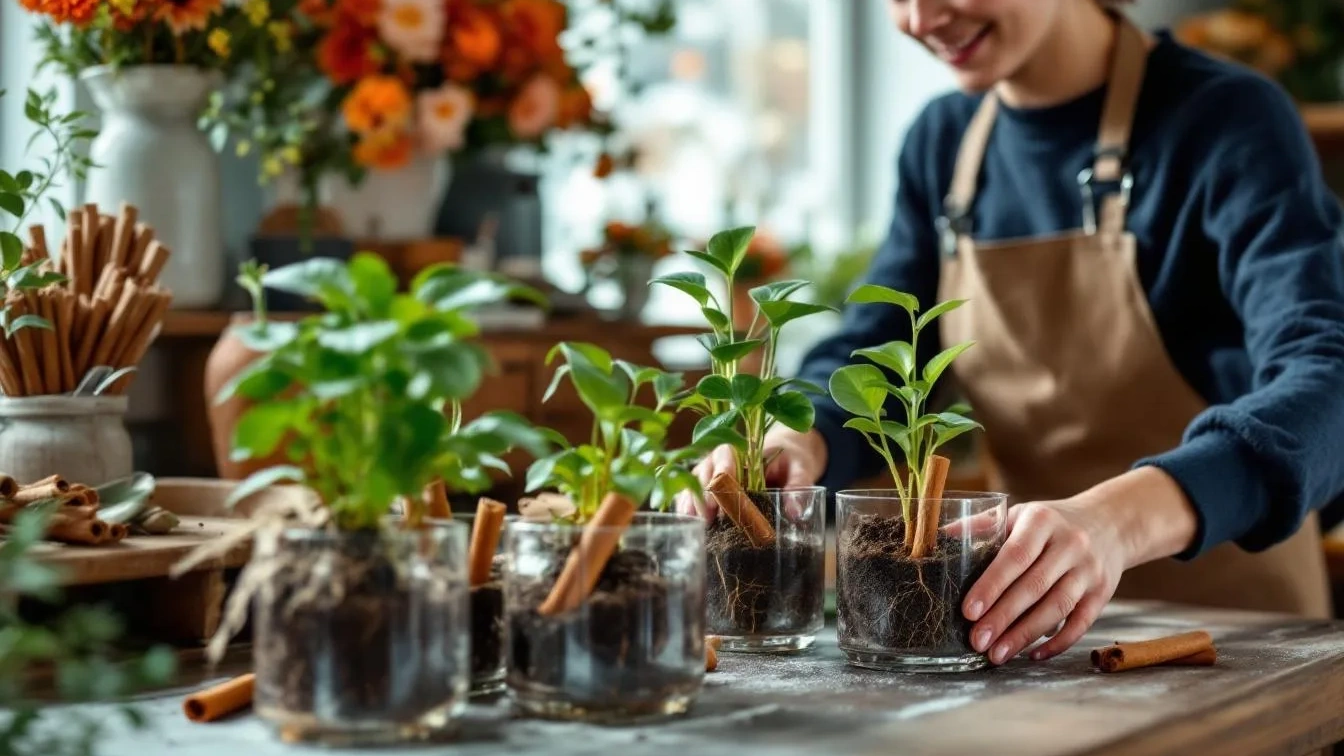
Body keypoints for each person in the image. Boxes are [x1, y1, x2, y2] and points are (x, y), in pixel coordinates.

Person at [686, 0, 1344, 667]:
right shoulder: (943, 143)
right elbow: (878, 354)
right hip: (1025, 642)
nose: (917, 18)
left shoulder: (1225, 119)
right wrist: (802, 438)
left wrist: (1114, 522)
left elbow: (1330, 380)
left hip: (1235, 645)